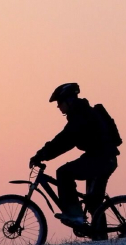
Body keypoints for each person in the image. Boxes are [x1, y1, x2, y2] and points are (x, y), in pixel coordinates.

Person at [29, 83, 120, 225]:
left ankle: (75, 214)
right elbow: (64, 140)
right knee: (93, 202)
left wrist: (41, 155)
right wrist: (42, 154)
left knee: (64, 173)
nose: (58, 107)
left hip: (102, 159)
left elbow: (64, 141)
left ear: (69, 101)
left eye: (59, 103)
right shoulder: (80, 114)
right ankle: (98, 237)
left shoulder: (81, 116)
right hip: (98, 158)